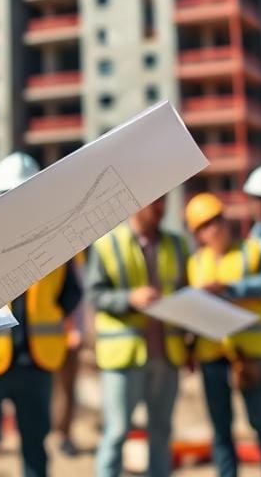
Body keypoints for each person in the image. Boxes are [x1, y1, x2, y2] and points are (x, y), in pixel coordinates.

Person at [0, 152, 82, 477]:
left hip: (36, 360)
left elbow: (72, 292)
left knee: (35, 450)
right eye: (10, 195)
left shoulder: (59, 241)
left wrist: (45, 316)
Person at [87, 195, 188, 477]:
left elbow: (187, 292)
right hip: (124, 354)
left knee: (161, 431)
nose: (161, 209)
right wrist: (129, 298)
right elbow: (94, 294)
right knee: (117, 431)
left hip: (166, 354)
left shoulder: (178, 245)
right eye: (154, 202)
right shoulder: (108, 244)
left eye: (164, 202)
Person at [185, 193, 261, 477]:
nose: (215, 228)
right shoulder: (195, 264)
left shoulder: (251, 252)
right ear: (198, 234)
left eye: (218, 220)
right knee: (220, 428)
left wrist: (227, 288)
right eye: (206, 225)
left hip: (249, 354)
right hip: (211, 355)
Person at [51, 252, 86, 458]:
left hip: (69, 333)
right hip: (50, 335)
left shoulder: (79, 255)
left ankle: (62, 434)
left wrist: (78, 330)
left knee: (66, 388)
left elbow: (78, 295)